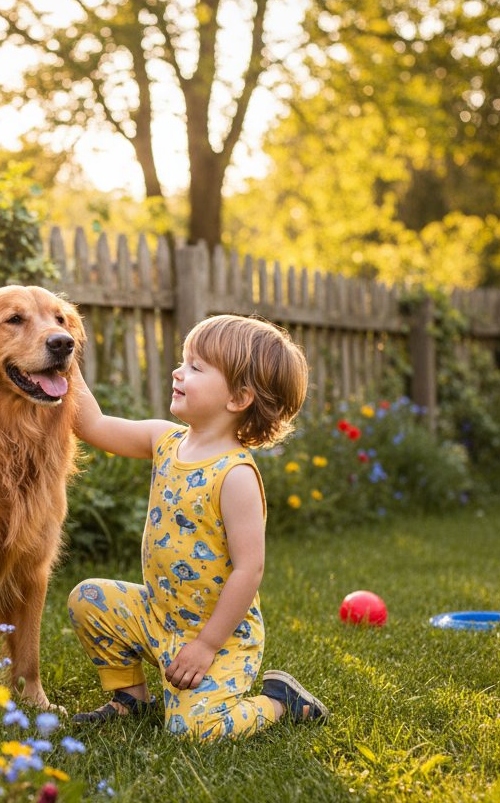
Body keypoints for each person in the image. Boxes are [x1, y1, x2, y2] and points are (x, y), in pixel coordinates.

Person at [67, 314, 328, 740]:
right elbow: (92, 425)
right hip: (158, 615)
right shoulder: (163, 440)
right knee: (88, 598)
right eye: (182, 360)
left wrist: (206, 645)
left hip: (220, 638)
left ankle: (281, 702)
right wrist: (66, 358)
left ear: (239, 397)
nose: (177, 371)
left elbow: (249, 570)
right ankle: (131, 699)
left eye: (195, 367)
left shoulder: (236, 475)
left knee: (194, 731)